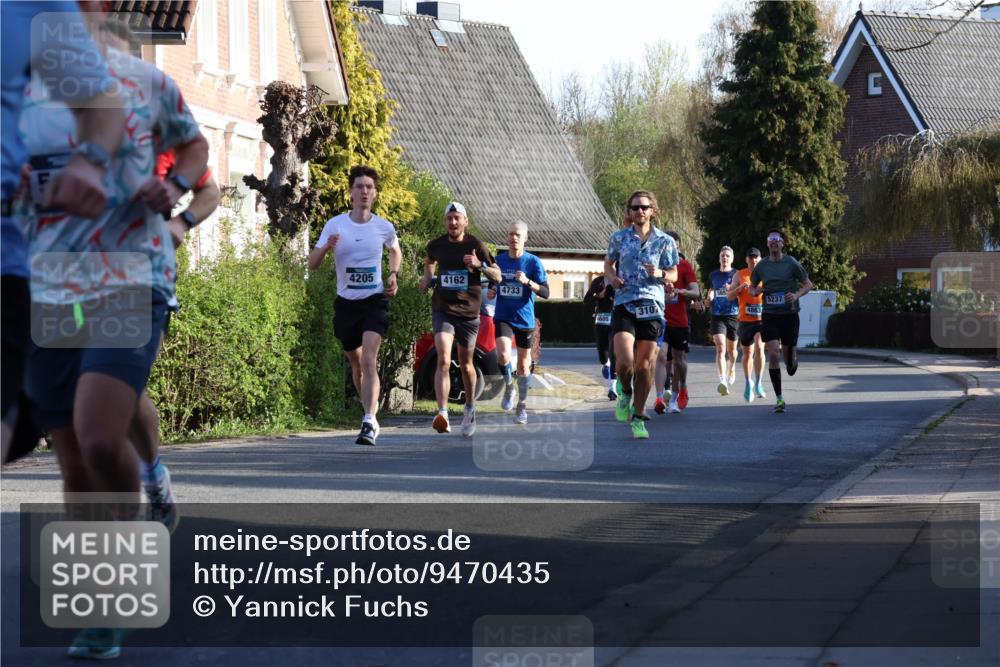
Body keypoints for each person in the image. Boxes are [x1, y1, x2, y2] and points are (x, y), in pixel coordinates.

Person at [18, 4, 207, 656]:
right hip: (49, 286)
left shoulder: (145, 83)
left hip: (131, 274)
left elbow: (196, 147)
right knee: (74, 458)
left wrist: (175, 187)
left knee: (101, 435)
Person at [2, 2, 125, 464]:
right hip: (40, 267)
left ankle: (142, 470)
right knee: (69, 429)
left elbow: (104, 106)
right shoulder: (32, 107)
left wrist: (90, 165)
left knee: (92, 423)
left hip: (101, 271)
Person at [309, 165, 402, 445]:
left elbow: (395, 250)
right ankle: (368, 411)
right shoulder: (335, 225)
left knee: (368, 359)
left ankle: (369, 420)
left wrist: (393, 274)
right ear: (351, 192)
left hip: (374, 301)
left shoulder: (383, 227)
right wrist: (327, 247)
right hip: (346, 304)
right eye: (359, 186)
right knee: (356, 362)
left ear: (375, 194)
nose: (364, 191)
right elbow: (312, 264)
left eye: (369, 187)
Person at [419, 202, 501, 436]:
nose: (453, 222)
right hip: (443, 309)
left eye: (457, 218)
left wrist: (479, 265)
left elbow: (497, 275)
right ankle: (442, 413)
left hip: (468, 314)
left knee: (466, 364)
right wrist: (428, 278)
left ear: (465, 222)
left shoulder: (476, 245)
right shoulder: (436, 245)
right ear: (445, 222)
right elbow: (429, 261)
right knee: (444, 358)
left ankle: (469, 408)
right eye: (449, 218)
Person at [604, 191, 679, 439]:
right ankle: (625, 392)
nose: (639, 211)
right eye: (635, 207)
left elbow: (674, 273)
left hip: (651, 305)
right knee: (625, 362)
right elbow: (607, 265)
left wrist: (660, 274)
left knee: (644, 366)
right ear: (630, 211)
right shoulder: (619, 238)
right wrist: (613, 278)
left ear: (652, 211)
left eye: (644, 207)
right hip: (624, 302)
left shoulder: (665, 241)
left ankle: (638, 418)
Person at [749, 229, 813, 413]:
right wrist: (755, 291)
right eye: (771, 239)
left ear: (782, 244)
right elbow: (752, 287)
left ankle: (792, 359)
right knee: (774, 354)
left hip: (789, 315)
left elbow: (808, 284)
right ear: (767, 244)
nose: (774, 242)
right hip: (770, 315)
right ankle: (779, 398)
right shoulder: (762, 266)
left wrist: (796, 295)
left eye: (777, 239)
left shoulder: (791, 262)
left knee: (789, 363)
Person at [493, 221, 549, 424]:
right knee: (503, 355)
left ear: (525, 238)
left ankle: (522, 406)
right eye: (511, 234)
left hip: (524, 319)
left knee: (524, 367)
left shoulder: (533, 262)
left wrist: (528, 282)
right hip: (503, 316)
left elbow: (546, 292)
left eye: (518, 235)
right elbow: (492, 283)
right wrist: (492, 290)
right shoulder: (499, 260)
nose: (514, 238)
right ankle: (509, 387)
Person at [661, 231, 700, 414]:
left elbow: (696, 292)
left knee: (679, 362)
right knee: (662, 357)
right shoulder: (657, 266)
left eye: (674, 247)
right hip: (660, 321)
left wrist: (681, 292)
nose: (671, 250)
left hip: (679, 322)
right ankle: (663, 395)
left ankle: (679, 391)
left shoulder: (684, 266)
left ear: (678, 247)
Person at [727, 247, 767, 403]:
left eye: (756, 257)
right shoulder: (739, 274)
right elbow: (729, 296)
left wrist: (764, 289)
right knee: (748, 353)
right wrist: (739, 288)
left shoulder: (765, 274)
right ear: (746, 259)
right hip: (745, 321)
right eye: (751, 257)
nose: (753, 260)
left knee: (759, 347)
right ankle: (748, 382)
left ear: (760, 259)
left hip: (761, 319)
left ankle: (758, 382)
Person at [709, 246, 740, 396]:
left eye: (727, 256)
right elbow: (712, 290)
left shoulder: (736, 274)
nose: (725, 258)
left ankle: (732, 366)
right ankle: (722, 381)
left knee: (732, 351)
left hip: (733, 315)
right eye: (722, 256)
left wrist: (732, 290)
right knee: (721, 347)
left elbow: (742, 293)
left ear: (732, 259)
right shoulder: (714, 275)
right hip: (717, 315)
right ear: (719, 258)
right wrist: (709, 298)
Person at [583, 273, 617, 399]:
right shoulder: (598, 281)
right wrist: (598, 296)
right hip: (601, 320)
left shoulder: (621, 281)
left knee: (614, 354)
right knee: (603, 355)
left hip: (617, 320)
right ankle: (605, 363)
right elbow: (586, 300)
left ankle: (612, 388)